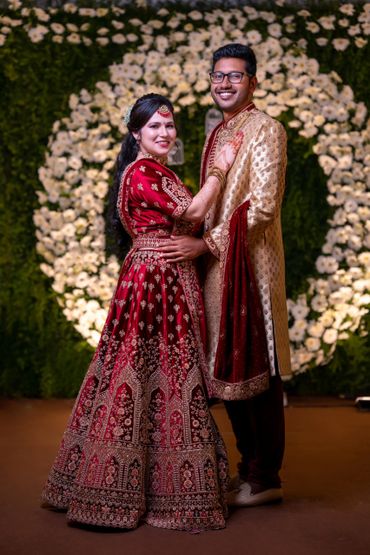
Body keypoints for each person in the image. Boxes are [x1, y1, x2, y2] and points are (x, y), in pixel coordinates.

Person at [41, 93, 243, 531]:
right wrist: (219, 169)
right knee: (142, 376)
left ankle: (159, 485)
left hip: (164, 279)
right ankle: (115, 491)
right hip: (153, 284)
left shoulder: (157, 171)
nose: (165, 134)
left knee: (158, 377)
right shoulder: (141, 173)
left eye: (169, 127)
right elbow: (191, 212)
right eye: (154, 127)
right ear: (136, 134)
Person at [159, 44, 292, 507]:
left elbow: (264, 205)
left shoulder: (266, 130)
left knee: (257, 367)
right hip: (217, 269)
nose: (225, 83)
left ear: (252, 82)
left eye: (235, 76)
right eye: (218, 75)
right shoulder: (217, 135)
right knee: (227, 370)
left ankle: (265, 478)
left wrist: (206, 243)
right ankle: (248, 469)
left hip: (250, 269)